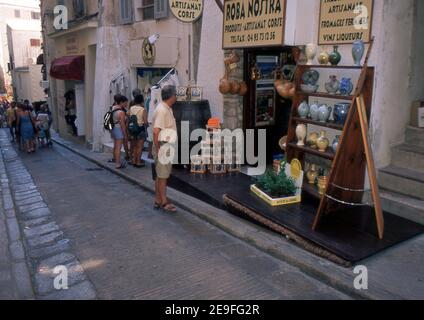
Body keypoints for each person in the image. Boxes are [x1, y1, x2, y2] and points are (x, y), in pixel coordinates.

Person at [153, 85, 178, 213]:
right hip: (163, 146)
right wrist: (158, 148)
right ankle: (164, 202)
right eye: (176, 94)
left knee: (160, 175)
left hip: (164, 145)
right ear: (172, 96)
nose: (176, 97)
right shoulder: (163, 110)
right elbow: (156, 131)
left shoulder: (166, 108)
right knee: (163, 176)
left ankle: (158, 199)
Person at [128, 94, 147, 168]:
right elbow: (145, 122)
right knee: (140, 147)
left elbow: (128, 115)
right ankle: (138, 162)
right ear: (142, 101)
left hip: (132, 129)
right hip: (140, 129)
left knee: (135, 146)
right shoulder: (143, 109)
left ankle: (134, 161)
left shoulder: (131, 108)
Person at [111, 94, 129, 169]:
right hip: (118, 129)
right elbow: (122, 125)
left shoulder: (113, 108)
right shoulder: (121, 112)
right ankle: (118, 164)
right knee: (118, 147)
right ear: (121, 102)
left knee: (115, 146)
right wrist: (125, 135)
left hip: (113, 128)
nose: (126, 104)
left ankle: (115, 159)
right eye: (125, 103)